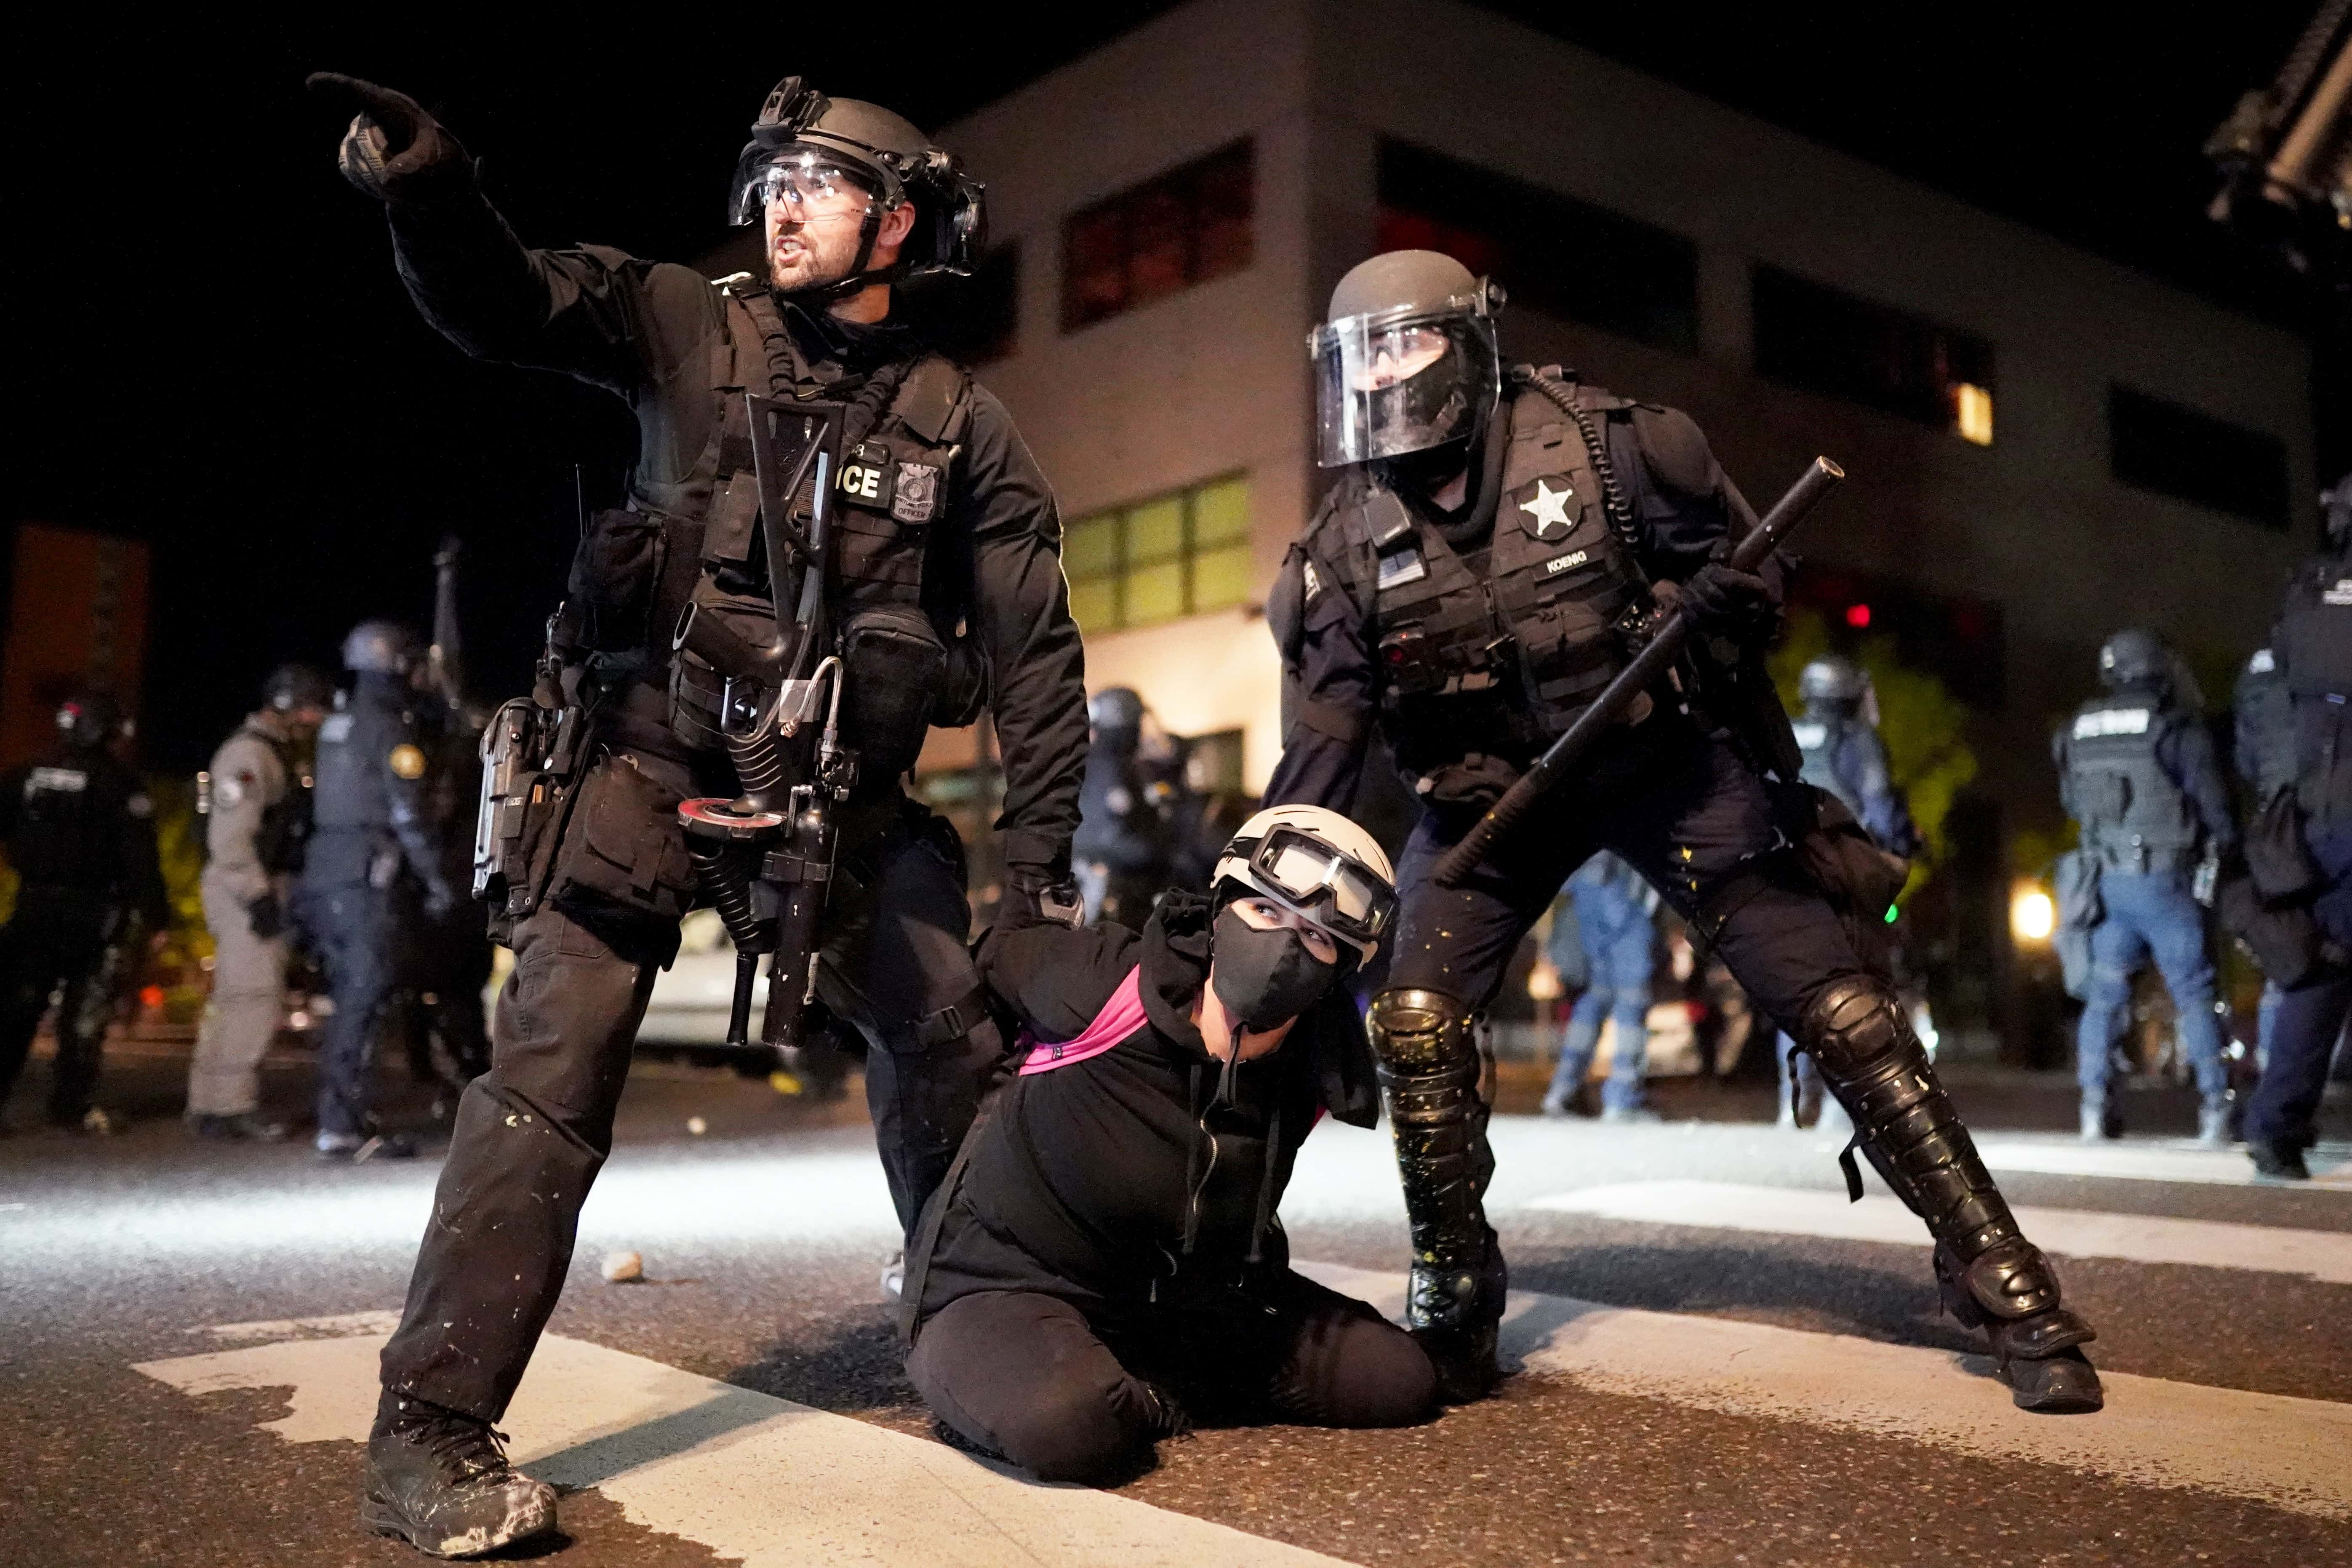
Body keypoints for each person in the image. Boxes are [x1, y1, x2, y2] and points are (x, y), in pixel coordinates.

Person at [308, 71, 1087, 1555]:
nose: (780, 203)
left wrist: (1038, 865)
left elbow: (1040, 659)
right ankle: (427, 1436)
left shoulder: (960, 427)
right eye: (771, 180)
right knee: (549, 1078)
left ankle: (963, 1320)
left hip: (841, 812)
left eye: (818, 183)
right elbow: (499, 304)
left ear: (899, 220)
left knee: (947, 1042)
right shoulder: (681, 316)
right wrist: (430, 189)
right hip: (641, 772)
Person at [1264, 248, 2100, 1413]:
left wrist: (1712, 608)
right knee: (1411, 1020)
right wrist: (1262, 889)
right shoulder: (1343, 549)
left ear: (1466, 344)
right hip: (1485, 804)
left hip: (1664, 765)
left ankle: (2003, 1281)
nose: (1388, 372)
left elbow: (1755, 586)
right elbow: (1322, 752)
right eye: (1368, 353)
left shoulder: (1622, 447)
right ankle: (1454, 1292)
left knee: (1848, 1014)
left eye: (1408, 341)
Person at [904, 806, 1435, 1483]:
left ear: (1337, 972)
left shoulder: (1312, 1067)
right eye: (1266, 913)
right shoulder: (1103, 983)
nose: (1285, 947)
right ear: (1219, 910)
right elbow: (996, 959)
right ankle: (1100, 1391)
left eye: (1317, 938)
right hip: (1009, 1284)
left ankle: (1138, 1388)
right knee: (1072, 1432)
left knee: (1398, 1380)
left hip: (1187, 1304)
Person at [2055, 628, 2236, 1145]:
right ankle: (2216, 1109)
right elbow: (2214, 808)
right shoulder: (2173, 728)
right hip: (2165, 882)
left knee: (2105, 996)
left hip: (2106, 885)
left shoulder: (2079, 728)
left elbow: (2073, 801)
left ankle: (2094, 1108)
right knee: (2196, 994)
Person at [298, 622, 447, 1163]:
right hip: (367, 875)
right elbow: (407, 810)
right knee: (366, 993)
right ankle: (342, 1124)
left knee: (348, 998)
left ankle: (341, 1116)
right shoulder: (389, 727)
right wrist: (436, 878)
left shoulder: (337, 723)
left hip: (326, 872)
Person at [2240, 473, 2352, 1179]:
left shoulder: (2305, 596)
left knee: (2320, 970)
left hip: (2312, 816)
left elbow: (2258, 710)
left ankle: (2276, 1129)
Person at [0, 690, 169, 1134]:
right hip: (92, 914)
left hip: (33, 906)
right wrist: (156, 917)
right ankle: (70, 1106)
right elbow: (140, 857)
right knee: (84, 1015)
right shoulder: (119, 782)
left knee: (16, 1010)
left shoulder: (27, 773)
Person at [186, 664, 333, 1140]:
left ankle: (209, 1105)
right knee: (252, 997)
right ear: (289, 704)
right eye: (309, 708)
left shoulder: (270, 752)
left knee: (234, 998)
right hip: (245, 887)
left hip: (248, 884)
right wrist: (258, 897)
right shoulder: (251, 754)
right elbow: (231, 839)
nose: (313, 720)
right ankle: (230, 1107)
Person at [1779, 655, 1920, 1131]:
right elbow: (1879, 806)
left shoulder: (1785, 733)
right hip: (1844, 873)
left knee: (1799, 987)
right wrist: (1899, 846)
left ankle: (1794, 1103)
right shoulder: (1859, 741)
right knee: (1857, 982)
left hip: (1791, 874)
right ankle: (1846, 1107)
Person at [1539, 851, 1659, 1120]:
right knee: (1632, 998)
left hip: (1586, 883)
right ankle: (1622, 1100)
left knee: (1596, 995)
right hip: (1623, 884)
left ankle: (1562, 1092)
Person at [1073, 687, 1179, 925]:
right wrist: (1162, 853)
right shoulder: (1109, 767)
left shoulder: (1107, 765)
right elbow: (1106, 838)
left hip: (1110, 885)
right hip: (1112, 894)